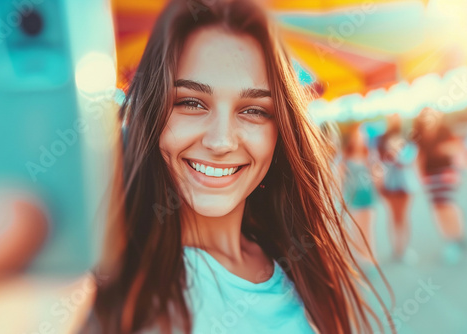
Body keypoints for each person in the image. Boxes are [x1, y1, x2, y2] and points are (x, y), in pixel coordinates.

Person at [80, 0, 391, 333]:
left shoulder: (285, 256)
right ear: (151, 114)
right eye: (190, 102)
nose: (221, 141)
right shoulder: (133, 295)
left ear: (279, 132)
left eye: (254, 110)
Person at [412, 108, 467, 264]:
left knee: (447, 205)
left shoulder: (444, 131)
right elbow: (419, 158)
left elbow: (456, 149)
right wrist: (421, 178)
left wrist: (456, 170)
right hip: (430, 177)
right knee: (438, 208)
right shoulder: (420, 136)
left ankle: (457, 237)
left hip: (446, 173)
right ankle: (449, 239)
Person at [377, 114, 417, 261]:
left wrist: (398, 155)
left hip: (405, 184)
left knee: (404, 217)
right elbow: (380, 163)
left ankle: (404, 248)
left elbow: (409, 160)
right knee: (394, 217)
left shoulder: (408, 139)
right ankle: (396, 248)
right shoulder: (381, 141)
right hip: (390, 184)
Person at [341, 123, 378, 264]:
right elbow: (341, 179)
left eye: (362, 136)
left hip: (367, 197)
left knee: (368, 230)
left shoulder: (368, 155)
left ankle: (370, 258)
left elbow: (376, 176)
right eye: (358, 136)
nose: (360, 139)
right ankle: (361, 257)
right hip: (354, 198)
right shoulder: (346, 157)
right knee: (358, 231)